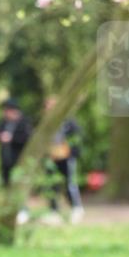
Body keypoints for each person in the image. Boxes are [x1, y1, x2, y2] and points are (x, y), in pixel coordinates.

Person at [44, 96, 84, 225]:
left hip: (67, 158)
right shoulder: (45, 124)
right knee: (51, 185)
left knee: (70, 183)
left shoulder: (69, 122)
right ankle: (54, 212)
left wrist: (71, 152)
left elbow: (77, 138)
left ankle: (76, 209)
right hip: (51, 158)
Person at [0, 98, 33, 187]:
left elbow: (27, 138)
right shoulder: (4, 121)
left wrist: (11, 138)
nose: (4, 113)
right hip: (5, 156)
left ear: (13, 111)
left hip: (19, 155)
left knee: (18, 179)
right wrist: (0, 136)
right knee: (5, 178)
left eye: (6, 110)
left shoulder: (24, 122)